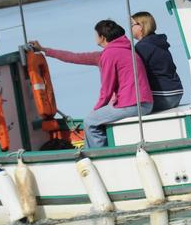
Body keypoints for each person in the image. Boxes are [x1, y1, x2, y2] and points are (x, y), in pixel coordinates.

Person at [35, 20, 153, 148]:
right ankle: (96, 150)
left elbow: (107, 90)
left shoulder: (109, 54)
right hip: (143, 103)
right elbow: (74, 57)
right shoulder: (124, 49)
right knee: (96, 118)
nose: (94, 37)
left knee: (90, 121)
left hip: (133, 105)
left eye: (96, 34)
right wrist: (45, 50)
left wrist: (96, 109)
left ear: (102, 37)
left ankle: (98, 155)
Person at [130, 11, 184, 112]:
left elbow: (135, 74)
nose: (130, 28)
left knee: (126, 108)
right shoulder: (159, 42)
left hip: (163, 96)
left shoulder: (142, 47)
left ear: (141, 26)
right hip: (177, 92)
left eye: (132, 24)